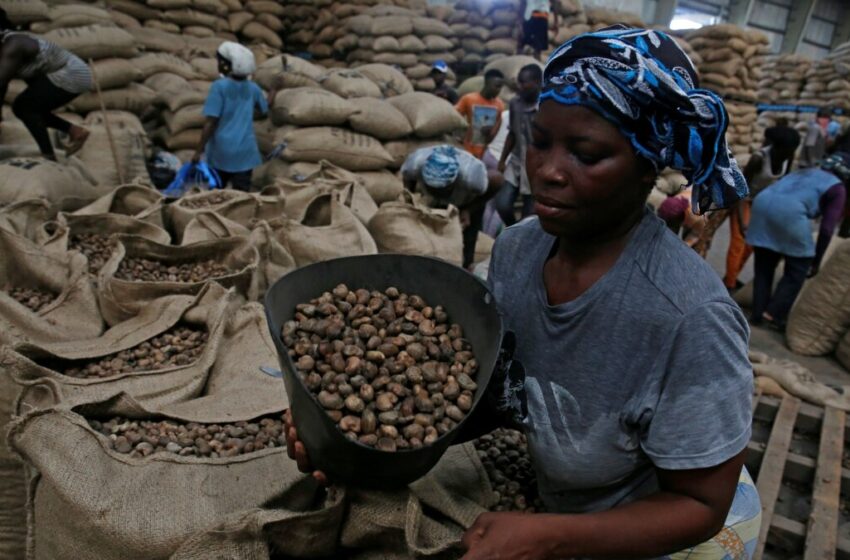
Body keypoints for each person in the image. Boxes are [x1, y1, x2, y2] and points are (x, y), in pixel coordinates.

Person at [286, 27, 761, 560]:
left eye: (586, 153)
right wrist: (359, 448)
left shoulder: (689, 316)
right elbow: (503, 392)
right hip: (570, 500)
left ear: (648, 166)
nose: (548, 172)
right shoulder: (517, 252)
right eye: (540, 141)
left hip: (682, 531)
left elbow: (701, 506)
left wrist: (550, 536)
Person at [747, 154, 848, 330]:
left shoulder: (805, 171)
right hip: (789, 213)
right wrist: (816, 260)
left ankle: (757, 313)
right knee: (799, 267)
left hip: (761, 204)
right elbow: (826, 229)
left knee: (764, 267)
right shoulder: (838, 189)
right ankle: (774, 313)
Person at [0, 8, 91, 160]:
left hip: (72, 74)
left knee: (24, 108)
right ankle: (75, 131)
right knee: (28, 108)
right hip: (52, 74)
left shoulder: (14, 45)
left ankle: (48, 156)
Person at [723, 119, 800, 292]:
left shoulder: (788, 159)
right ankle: (729, 285)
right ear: (778, 147)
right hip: (745, 202)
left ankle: (731, 278)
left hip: (763, 205)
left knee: (751, 245)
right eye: (789, 150)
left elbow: (782, 186)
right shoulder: (758, 159)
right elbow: (741, 190)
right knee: (739, 241)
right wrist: (743, 220)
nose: (791, 153)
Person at [400, 144, 499, 269]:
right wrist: (410, 198)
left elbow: (498, 180)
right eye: (434, 190)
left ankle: (463, 268)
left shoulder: (472, 177)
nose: (439, 194)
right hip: (432, 201)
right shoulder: (415, 164)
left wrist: (469, 210)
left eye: (442, 191)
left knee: (466, 242)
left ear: (455, 180)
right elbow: (408, 178)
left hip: (467, 202)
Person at [192, 42, 274, 191]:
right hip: (245, 152)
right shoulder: (253, 88)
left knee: (216, 195)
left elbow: (210, 122)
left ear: (226, 64)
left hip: (221, 152)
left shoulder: (219, 87)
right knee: (241, 197)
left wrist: (198, 150)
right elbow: (264, 109)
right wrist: (274, 90)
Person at [495, 64, 542, 227]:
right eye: (519, 82)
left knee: (529, 215)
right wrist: (502, 160)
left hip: (536, 166)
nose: (520, 86)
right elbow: (512, 133)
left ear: (537, 83)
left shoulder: (544, 108)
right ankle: (512, 229)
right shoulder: (515, 104)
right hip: (516, 161)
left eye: (524, 82)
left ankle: (521, 238)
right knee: (502, 204)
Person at [455, 70, 505, 161]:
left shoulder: (500, 105)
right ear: (487, 83)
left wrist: (491, 132)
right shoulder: (468, 99)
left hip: (487, 154)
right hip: (467, 150)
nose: (499, 90)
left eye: (500, 87)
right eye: (497, 86)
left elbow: (497, 130)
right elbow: (454, 118)